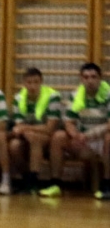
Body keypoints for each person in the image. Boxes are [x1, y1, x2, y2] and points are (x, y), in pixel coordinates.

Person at [39, 62, 110, 198]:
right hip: (84, 142)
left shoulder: (108, 95)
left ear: (100, 79)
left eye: (94, 77)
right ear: (81, 79)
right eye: (86, 77)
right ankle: (55, 184)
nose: (90, 81)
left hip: (102, 140)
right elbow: (69, 122)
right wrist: (75, 136)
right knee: (58, 136)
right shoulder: (76, 95)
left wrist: (87, 135)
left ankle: (107, 185)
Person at [8, 67, 61, 193]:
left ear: (41, 82)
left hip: (48, 138)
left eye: (36, 82)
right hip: (28, 136)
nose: (32, 86)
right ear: (24, 83)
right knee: (14, 145)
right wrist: (26, 130)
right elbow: (18, 127)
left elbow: (50, 128)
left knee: (35, 138)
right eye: (29, 82)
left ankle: (33, 181)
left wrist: (27, 129)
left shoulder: (52, 97)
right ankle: (26, 178)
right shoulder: (19, 99)